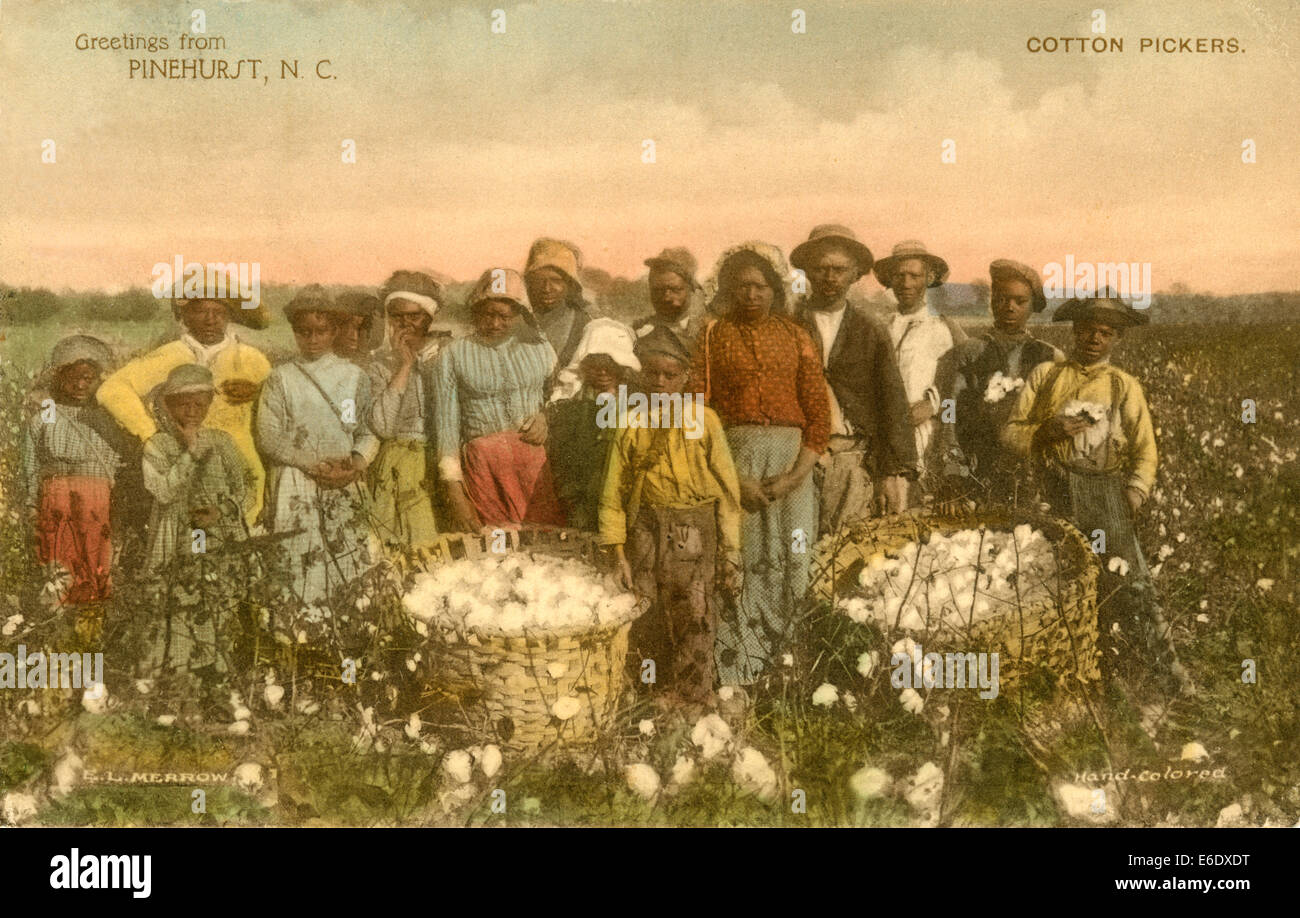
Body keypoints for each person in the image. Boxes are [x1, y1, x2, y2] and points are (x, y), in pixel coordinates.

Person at [1001, 290, 1190, 694]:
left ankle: (1165, 674)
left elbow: (1145, 450)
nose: (1094, 339)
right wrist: (1045, 432)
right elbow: (1009, 433)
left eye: (1105, 333)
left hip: (1106, 493)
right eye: (1087, 329)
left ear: (1116, 338)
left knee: (1133, 582)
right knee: (1054, 580)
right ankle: (1062, 673)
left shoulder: (1124, 386)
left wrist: (1135, 494)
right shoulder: (1047, 376)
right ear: (1074, 331)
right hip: (1053, 489)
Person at [691, 242, 830, 685]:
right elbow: (697, 411)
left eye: (761, 286)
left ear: (775, 289)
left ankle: (787, 671)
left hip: (792, 464)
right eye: (742, 286)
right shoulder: (712, 335)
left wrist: (795, 476)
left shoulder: (796, 336)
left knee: (793, 558)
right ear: (729, 290)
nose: (752, 295)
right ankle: (739, 672)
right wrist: (732, 481)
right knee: (741, 561)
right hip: (734, 460)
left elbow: (818, 413)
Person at [598, 325, 742, 709]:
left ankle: (693, 696)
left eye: (670, 375)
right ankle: (650, 695)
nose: (660, 382)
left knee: (693, 608)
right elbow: (613, 492)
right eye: (652, 373)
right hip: (644, 527)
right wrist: (618, 553)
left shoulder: (704, 420)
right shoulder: (630, 422)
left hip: (690, 527)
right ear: (641, 374)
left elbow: (728, 491)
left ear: (686, 378)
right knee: (645, 607)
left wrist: (731, 551)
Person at [97, 292, 270, 524]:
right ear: (185, 316)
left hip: (241, 469)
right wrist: (150, 434)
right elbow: (112, 390)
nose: (210, 319)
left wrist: (258, 392)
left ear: (230, 316)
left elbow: (275, 411)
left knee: (237, 539)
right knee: (193, 542)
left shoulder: (251, 360)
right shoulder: (169, 355)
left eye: (219, 312)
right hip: (184, 465)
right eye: (200, 311)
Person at [790, 224, 916, 532]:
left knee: (847, 548)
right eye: (820, 268)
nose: (830, 277)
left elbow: (893, 404)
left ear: (855, 273)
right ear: (806, 271)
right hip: (796, 458)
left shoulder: (870, 330)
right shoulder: (788, 325)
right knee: (798, 549)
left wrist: (889, 474)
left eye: (839, 269)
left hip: (852, 457)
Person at [255, 286, 377, 605]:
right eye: (304, 332)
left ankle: (348, 633)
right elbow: (268, 435)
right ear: (295, 332)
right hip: (297, 484)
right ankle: (301, 638)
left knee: (346, 563)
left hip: (342, 480)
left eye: (321, 331)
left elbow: (368, 430)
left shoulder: (354, 377)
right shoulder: (282, 378)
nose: (313, 339)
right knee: (298, 565)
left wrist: (355, 464)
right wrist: (308, 463)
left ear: (334, 330)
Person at [434, 268, 565, 532]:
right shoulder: (453, 355)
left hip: (533, 464)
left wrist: (545, 418)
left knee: (542, 549)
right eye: (487, 315)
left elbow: (562, 395)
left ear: (520, 314)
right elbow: (446, 428)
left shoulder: (540, 348)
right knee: (495, 549)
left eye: (504, 317)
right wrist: (455, 493)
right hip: (484, 467)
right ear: (475, 310)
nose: (495, 324)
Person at [140, 364, 248, 677]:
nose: (192, 410)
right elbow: (162, 490)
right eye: (183, 403)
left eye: (199, 403)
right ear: (169, 405)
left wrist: (222, 512)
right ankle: (177, 669)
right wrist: (189, 452)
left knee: (214, 593)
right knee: (182, 594)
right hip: (177, 533)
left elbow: (243, 487)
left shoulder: (221, 442)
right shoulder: (157, 445)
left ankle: (214, 671)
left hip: (213, 532)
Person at [941, 259, 1062, 504]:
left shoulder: (1049, 356)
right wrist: (953, 467)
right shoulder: (969, 352)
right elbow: (949, 410)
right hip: (978, 466)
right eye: (1002, 298)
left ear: (1033, 306)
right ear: (991, 301)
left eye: (1020, 301)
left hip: (1033, 472)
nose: (1010, 307)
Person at [21, 335, 123, 603]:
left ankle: (91, 624)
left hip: (95, 498)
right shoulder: (49, 412)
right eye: (73, 376)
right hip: (56, 495)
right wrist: (32, 502)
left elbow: (122, 463)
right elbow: (33, 460)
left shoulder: (106, 416)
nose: (80, 384)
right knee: (57, 561)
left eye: (88, 378)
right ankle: (56, 623)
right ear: (60, 376)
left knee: (94, 561)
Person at [873, 240, 965, 489]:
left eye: (914, 275)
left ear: (928, 278)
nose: (906, 283)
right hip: (884, 431)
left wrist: (933, 405)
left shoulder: (942, 328)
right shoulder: (881, 327)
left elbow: (956, 389)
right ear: (890, 280)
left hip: (925, 433)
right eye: (899, 275)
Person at [366, 271, 445, 552]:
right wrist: (404, 366)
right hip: (396, 465)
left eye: (414, 316)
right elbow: (383, 426)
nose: (406, 324)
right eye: (397, 317)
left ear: (429, 317)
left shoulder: (446, 357)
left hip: (438, 458)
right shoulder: (379, 365)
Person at [547, 318, 641, 531]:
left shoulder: (633, 401)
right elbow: (564, 453)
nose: (602, 373)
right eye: (595, 367)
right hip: (583, 485)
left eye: (609, 366)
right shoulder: (573, 402)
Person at [523, 238, 594, 374]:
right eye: (539, 281)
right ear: (530, 283)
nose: (547, 288)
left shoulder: (584, 324)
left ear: (570, 285)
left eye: (556, 281)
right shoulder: (516, 321)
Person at [633, 247, 708, 356]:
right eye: (657, 290)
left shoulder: (709, 331)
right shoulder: (637, 333)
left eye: (675, 289)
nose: (666, 298)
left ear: (691, 288)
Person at [332, 291, 384, 367]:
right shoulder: (325, 363)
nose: (355, 337)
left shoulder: (377, 367)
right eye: (353, 327)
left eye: (363, 329)